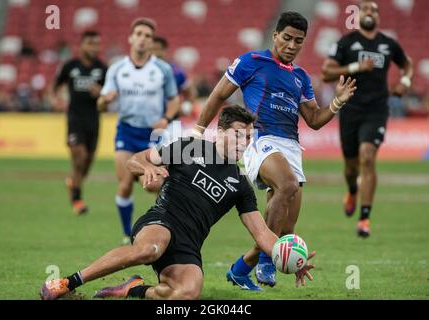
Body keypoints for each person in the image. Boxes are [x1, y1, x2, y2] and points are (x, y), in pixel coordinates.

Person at [39, 105, 316, 300]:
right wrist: (145, 169)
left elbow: (261, 233)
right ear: (219, 132)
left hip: (189, 245)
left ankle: (133, 289)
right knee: (149, 249)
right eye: (238, 134)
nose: (244, 142)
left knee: (187, 293)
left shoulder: (240, 184)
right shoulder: (189, 147)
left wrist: (286, 255)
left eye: (248, 136)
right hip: (161, 220)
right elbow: (138, 158)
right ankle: (68, 282)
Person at [191, 12, 356, 290]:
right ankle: (268, 260)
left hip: (291, 147)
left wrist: (337, 102)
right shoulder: (251, 62)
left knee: (284, 231)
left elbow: (314, 120)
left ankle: (240, 270)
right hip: (259, 138)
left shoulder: (301, 77)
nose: (292, 45)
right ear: (275, 35)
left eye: (299, 41)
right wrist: (197, 132)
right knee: (288, 184)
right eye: (288, 38)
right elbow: (219, 95)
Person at [321, 0, 413, 237]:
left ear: (378, 17)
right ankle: (352, 190)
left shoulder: (388, 43)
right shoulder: (346, 42)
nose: (370, 12)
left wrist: (404, 81)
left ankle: (364, 218)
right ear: (358, 14)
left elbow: (407, 65)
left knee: (367, 155)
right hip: (350, 110)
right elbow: (326, 72)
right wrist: (355, 67)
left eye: (374, 10)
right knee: (351, 168)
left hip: (377, 110)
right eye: (366, 9)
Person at [97, 18, 180, 244]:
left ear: (152, 42)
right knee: (124, 183)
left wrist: (166, 118)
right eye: (139, 34)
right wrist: (106, 101)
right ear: (131, 38)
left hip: (152, 136)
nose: (143, 39)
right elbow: (101, 105)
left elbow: (175, 99)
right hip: (126, 131)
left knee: (155, 185)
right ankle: (127, 234)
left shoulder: (162, 69)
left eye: (147, 36)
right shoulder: (117, 69)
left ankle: (167, 227)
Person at [53, 31, 107, 215]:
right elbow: (55, 87)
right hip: (74, 118)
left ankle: (73, 183)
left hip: (93, 119)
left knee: (87, 162)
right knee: (80, 156)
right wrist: (57, 100)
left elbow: (109, 97)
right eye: (90, 43)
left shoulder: (102, 68)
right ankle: (77, 200)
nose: (94, 47)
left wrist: (100, 93)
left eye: (97, 44)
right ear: (82, 45)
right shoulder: (70, 66)